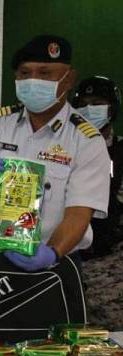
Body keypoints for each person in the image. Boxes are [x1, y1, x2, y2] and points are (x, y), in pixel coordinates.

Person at [0, 35, 110, 272]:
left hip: (54, 264)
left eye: (45, 73)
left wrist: (52, 252)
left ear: (68, 79)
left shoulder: (87, 140)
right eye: (25, 73)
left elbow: (79, 213)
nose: (33, 81)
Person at [72, 76, 123, 258]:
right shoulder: (60, 150)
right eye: (84, 104)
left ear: (111, 109)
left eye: (97, 103)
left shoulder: (120, 151)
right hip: (66, 254)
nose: (89, 109)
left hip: (112, 262)